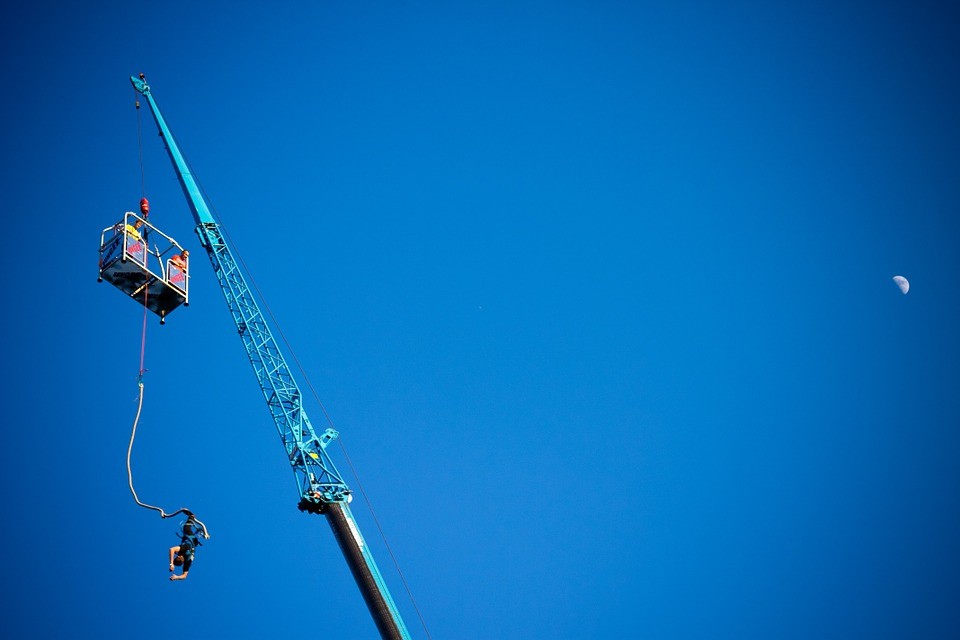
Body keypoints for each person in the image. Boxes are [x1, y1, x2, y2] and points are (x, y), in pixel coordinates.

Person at [168, 512, 209, 581]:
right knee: (186, 527)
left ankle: (200, 532)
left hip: (194, 543)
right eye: (178, 556)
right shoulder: (184, 550)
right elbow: (171, 549)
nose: (177, 555)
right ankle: (192, 516)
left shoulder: (187, 562)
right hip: (190, 538)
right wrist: (171, 563)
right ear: (179, 557)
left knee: (187, 535)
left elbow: (184, 576)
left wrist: (176, 577)